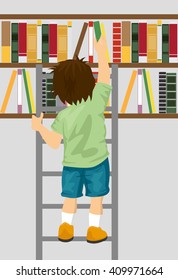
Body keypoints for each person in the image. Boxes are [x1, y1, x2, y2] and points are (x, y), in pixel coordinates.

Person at [32, 36, 112, 243]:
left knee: (70, 199)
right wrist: (102, 53)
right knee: (96, 199)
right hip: (97, 162)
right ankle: (94, 230)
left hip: (71, 165)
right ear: (90, 84)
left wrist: (39, 127)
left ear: (60, 94)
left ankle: (66, 227)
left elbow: (53, 142)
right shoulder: (96, 102)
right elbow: (104, 76)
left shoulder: (63, 116)